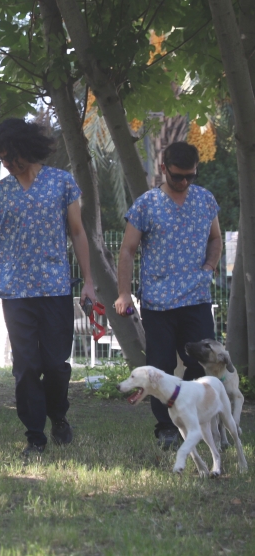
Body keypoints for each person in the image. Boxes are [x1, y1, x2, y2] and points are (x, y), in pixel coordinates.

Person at [0, 118, 95, 456]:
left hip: (55, 289)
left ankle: (58, 416)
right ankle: (34, 437)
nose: (7, 164)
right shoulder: (1, 192)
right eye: (0, 159)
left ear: (25, 149)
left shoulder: (61, 183)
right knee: (26, 366)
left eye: (9, 156)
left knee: (56, 365)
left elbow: (78, 233)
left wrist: (88, 282)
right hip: (15, 293)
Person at [115, 141, 221, 449]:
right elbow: (127, 250)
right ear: (164, 169)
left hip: (197, 299)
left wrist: (209, 267)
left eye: (191, 176)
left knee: (201, 364)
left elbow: (215, 238)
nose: (185, 182)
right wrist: (123, 293)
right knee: (159, 368)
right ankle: (167, 428)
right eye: (178, 176)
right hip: (158, 304)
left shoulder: (205, 200)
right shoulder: (146, 204)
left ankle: (199, 419)